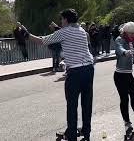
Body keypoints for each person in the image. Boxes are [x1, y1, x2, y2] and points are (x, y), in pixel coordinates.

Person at [17, 9, 94, 141]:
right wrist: (57, 28)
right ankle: (86, 133)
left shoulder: (63, 32)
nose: (61, 21)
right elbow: (67, 33)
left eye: (62, 19)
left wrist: (26, 33)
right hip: (89, 69)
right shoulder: (81, 30)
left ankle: (71, 137)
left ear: (66, 20)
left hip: (75, 72)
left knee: (72, 105)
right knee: (87, 103)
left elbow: (42, 41)